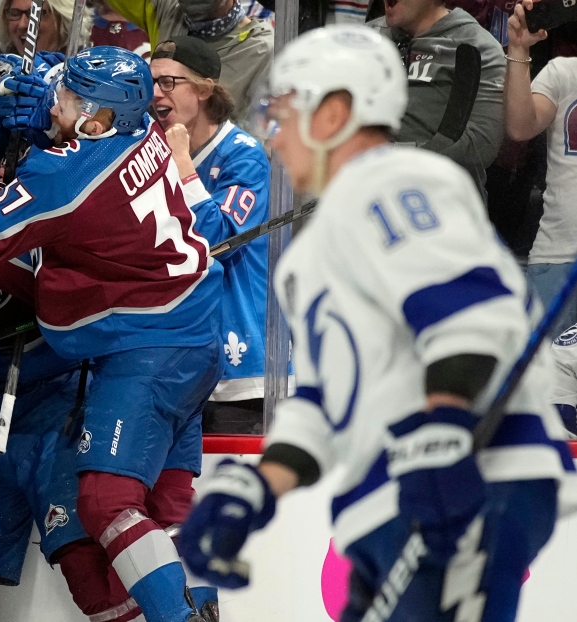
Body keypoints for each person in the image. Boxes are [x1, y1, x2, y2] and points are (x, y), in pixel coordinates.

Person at [178, 25, 573, 622]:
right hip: (394, 496)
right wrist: (263, 488)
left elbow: (467, 315)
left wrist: (442, 439)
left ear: (335, 115)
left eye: (287, 110)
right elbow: (321, 403)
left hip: (472, 478)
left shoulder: (399, 186)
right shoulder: (310, 255)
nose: (274, 134)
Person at [0, 45, 225, 622]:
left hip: (151, 349)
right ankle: (198, 609)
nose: (55, 100)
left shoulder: (71, 177)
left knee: (105, 500)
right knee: (165, 502)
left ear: (95, 118)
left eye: (67, 96)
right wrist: (47, 118)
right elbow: (83, 144)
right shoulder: (142, 134)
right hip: (196, 331)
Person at [151, 36, 272, 435]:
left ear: (204, 90)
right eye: (150, 83)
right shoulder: (151, 154)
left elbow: (214, 239)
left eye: (168, 82)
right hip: (175, 365)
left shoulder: (244, 154)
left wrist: (183, 164)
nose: (156, 94)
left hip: (237, 376)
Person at [368, 0, 505, 200]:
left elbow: (481, 145)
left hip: (442, 207)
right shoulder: (362, 40)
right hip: (365, 204)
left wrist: (387, 158)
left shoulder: (476, 46)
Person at [504, 0, 577, 335]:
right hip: (559, 255)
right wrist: (518, 48)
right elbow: (521, 126)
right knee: (542, 383)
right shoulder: (564, 72)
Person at [105, 0, 274, 126]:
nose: (157, 92)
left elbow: (262, 147)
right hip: (159, 156)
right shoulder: (168, 12)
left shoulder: (264, 52)